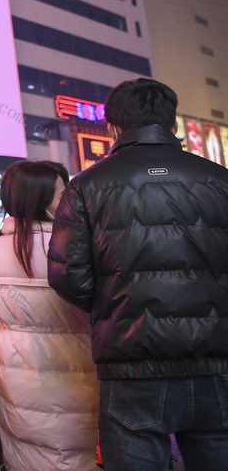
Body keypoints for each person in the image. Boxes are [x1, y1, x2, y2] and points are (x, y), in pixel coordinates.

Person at [48, 78, 228, 470]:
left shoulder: (85, 187)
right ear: (173, 124)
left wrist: (116, 303)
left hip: (130, 366)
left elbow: (66, 276)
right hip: (217, 363)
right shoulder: (221, 181)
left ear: (113, 127)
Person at [0, 160, 98, 469]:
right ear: (40, 201)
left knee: (25, 454)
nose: (69, 201)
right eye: (63, 195)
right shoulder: (72, 250)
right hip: (75, 376)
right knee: (73, 456)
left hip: (14, 376)